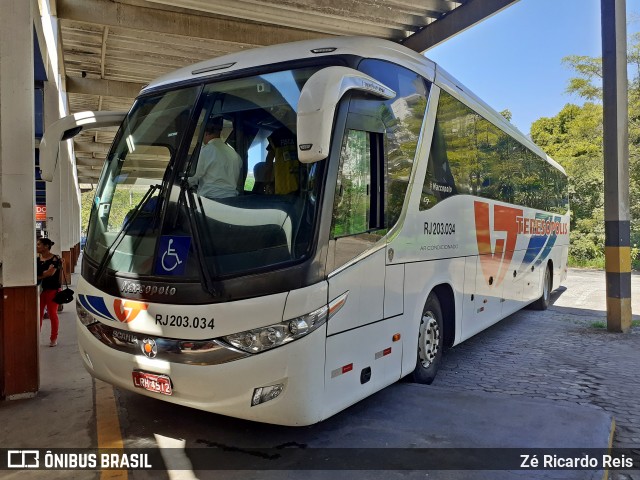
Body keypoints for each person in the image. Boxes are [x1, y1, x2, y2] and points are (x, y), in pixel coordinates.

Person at [189, 116, 242, 199]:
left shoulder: (207, 150)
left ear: (205, 133)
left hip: (211, 200)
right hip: (232, 200)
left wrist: (182, 180)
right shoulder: (234, 154)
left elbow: (194, 176)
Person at [37, 237, 62, 347]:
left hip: (53, 290)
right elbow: (44, 273)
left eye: (39, 244)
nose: (37, 246)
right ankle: (36, 337)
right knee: (39, 314)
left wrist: (38, 277)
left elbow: (50, 274)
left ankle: (54, 337)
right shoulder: (37, 259)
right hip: (40, 290)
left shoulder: (55, 259)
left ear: (46, 246)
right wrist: (42, 274)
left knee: (52, 314)